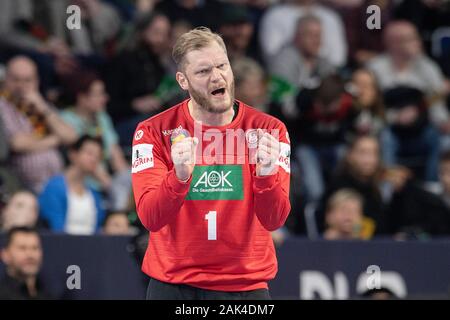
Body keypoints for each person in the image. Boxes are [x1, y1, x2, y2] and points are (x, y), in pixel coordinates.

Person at [131, 27, 291, 300]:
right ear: (182, 80)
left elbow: (274, 219)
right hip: (173, 285)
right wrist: (179, 177)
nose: (217, 76)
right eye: (203, 71)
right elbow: (151, 217)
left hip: (245, 286)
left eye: (222, 66)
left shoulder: (269, 129)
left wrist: (266, 175)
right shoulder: (152, 131)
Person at [0, 55, 77, 193]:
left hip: (56, 182)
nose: (21, 85)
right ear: (6, 79)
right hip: (22, 186)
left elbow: (71, 136)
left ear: (36, 81)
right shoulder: (3, 105)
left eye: (27, 80)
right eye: (16, 79)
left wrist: (41, 106)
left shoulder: (40, 104)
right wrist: (55, 139)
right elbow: (17, 143)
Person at [38, 135, 105, 235]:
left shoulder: (95, 194)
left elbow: (97, 228)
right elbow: (55, 227)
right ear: (73, 154)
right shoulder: (54, 187)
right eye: (89, 153)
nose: (93, 159)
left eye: (97, 156)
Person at [0, 227, 52, 299]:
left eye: (35, 248)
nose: (30, 254)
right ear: (5, 255)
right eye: (22, 248)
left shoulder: (50, 292)